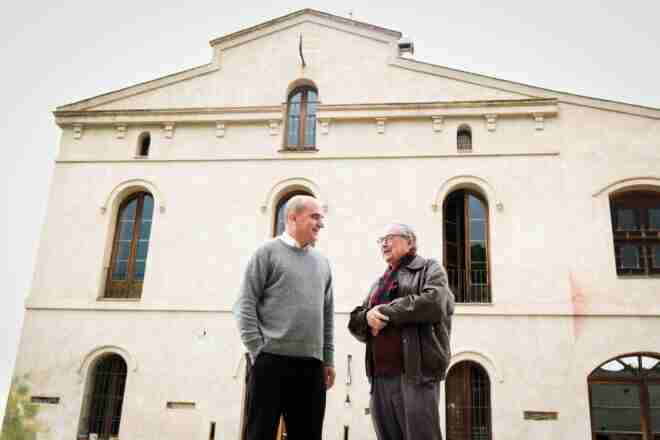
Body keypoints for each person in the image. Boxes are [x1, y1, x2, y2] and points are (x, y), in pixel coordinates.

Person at [235, 195, 335, 440]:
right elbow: (244, 304)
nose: (320, 224)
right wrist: (259, 351)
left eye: (321, 218)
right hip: (270, 362)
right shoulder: (266, 253)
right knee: (260, 434)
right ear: (292, 217)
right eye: (315, 217)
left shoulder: (322, 263)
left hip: (311, 367)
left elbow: (327, 314)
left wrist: (328, 359)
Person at [348, 223, 454, 440]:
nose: (384, 243)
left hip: (416, 375)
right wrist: (367, 318)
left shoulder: (429, 269)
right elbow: (355, 322)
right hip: (379, 379)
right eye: (381, 240)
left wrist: (384, 313)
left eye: (390, 237)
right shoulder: (379, 284)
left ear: (410, 242)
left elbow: (434, 302)